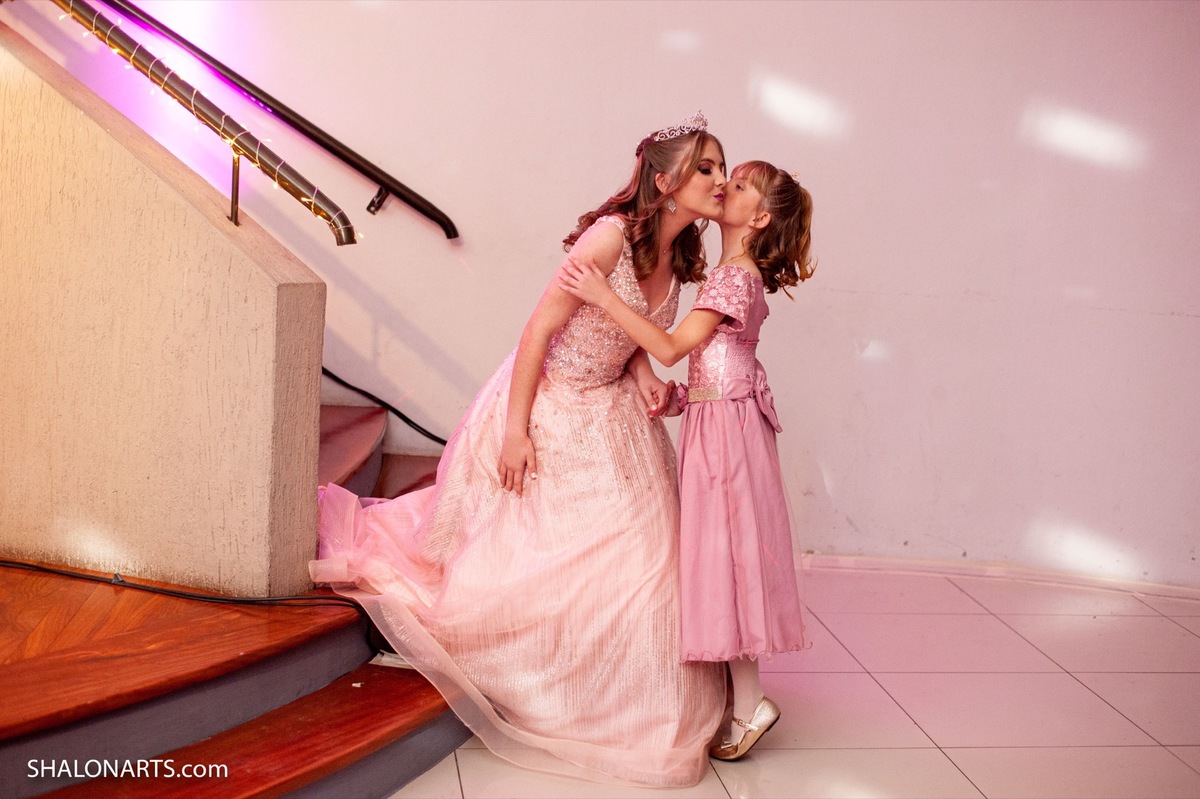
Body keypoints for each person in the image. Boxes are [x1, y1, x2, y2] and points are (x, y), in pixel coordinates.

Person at [311, 113, 729, 787]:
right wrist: (515, 432)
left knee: (646, 560)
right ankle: (550, 685)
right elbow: (538, 334)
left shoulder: (680, 254)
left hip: (614, 408)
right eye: (705, 167)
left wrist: (644, 371)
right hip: (550, 399)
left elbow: (624, 333)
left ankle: (625, 697)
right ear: (665, 181)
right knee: (535, 563)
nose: (720, 179)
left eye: (721, 167)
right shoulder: (607, 239)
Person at [560, 159, 813, 761]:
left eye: (740, 185)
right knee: (728, 552)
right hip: (721, 420)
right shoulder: (734, 274)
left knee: (725, 551)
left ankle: (749, 703)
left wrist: (603, 296)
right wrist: (680, 398)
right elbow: (718, 364)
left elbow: (673, 346)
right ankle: (741, 697)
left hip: (726, 432)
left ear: (759, 217)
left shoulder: (732, 278)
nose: (725, 186)